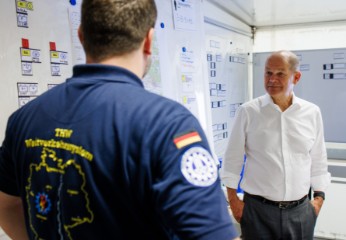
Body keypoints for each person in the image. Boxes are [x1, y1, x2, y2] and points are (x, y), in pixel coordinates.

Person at [0, 0, 240, 239]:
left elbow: (6, 206)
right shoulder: (168, 125)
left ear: (82, 35)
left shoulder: (24, 118)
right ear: (149, 40)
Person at [220, 50, 331, 239]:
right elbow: (232, 160)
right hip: (257, 211)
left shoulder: (312, 113)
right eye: (268, 73)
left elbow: (318, 159)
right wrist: (234, 202)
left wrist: (319, 199)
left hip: (301, 212)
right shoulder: (248, 112)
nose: (272, 79)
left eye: (280, 73)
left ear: (296, 77)